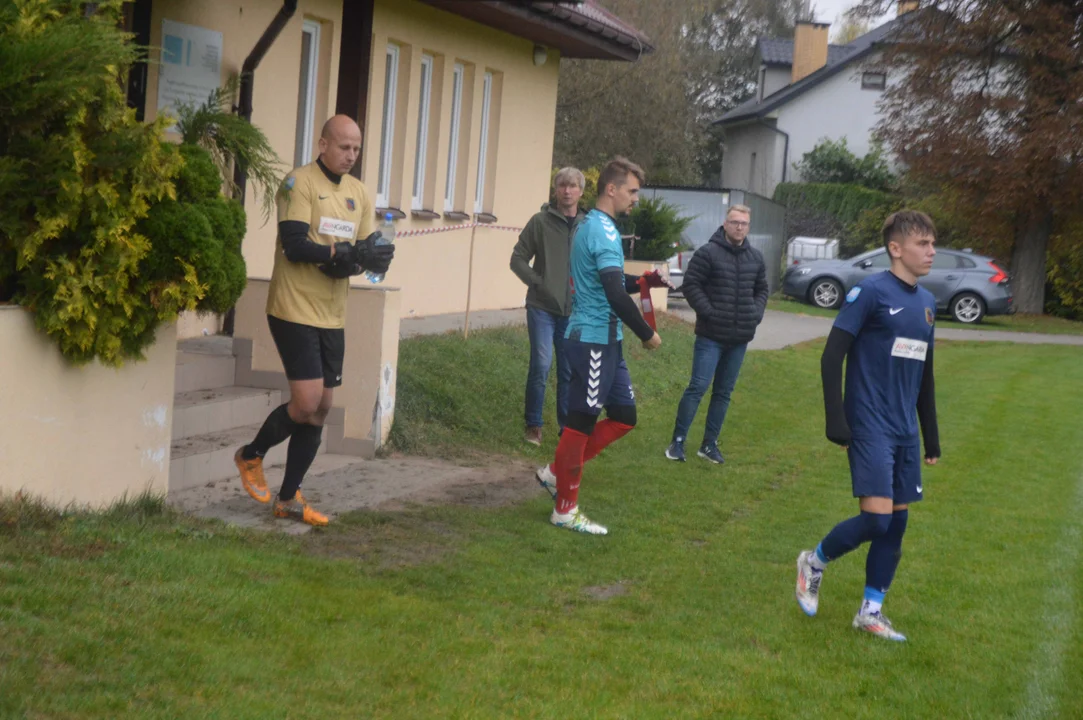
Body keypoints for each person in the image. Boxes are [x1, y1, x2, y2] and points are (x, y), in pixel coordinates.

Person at [233, 115, 395, 526]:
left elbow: (357, 253)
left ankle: (288, 498)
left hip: (331, 313)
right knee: (305, 401)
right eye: (344, 147)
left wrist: (370, 259)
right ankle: (251, 455)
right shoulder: (298, 183)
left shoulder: (358, 192)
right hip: (292, 308)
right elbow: (294, 245)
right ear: (323, 144)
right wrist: (334, 255)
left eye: (357, 149)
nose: (351, 156)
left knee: (321, 408)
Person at [794, 210, 941, 641]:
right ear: (896, 249)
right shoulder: (869, 292)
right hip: (869, 422)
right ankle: (814, 562)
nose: (932, 251)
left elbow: (924, 375)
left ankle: (871, 611)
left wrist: (930, 434)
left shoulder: (928, 304)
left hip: (903, 430)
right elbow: (831, 355)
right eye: (923, 244)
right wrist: (835, 419)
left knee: (896, 524)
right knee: (876, 520)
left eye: (933, 243)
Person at [533, 157, 664, 535]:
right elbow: (611, 291)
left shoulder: (593, 224)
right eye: (632, 190)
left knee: (624, 416)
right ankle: (565, 509)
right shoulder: (603, 231)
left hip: (607, 341)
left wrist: (642, 279)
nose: (635, 198)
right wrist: (646, 332)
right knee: (581, 422)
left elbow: (609, 278)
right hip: (592, 340)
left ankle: (555, 473)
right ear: (612, 189)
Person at [664, 204, 767, 465]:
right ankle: (677, 442)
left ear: (748, 226)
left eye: (743, 223)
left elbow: (762, 289)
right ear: (725, 224)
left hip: (739, 338)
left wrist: (755, 314)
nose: (739, 227)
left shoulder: (755, 257)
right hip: (710, 336)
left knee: (723, 392)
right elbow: (691, 285)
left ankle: (709, 445)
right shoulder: (707, 253)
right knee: (698, 387)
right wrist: (708, 312)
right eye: (734, 222)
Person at [510, 168, 587, 445]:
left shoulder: (587, 225)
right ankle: (533, 425)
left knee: (568, 370)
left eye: (572, 186)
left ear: (580, 191)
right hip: (542, 307)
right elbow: (517, 259)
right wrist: (537, 282)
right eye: (562, 185)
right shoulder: (540, 222)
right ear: (555, 190)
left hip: (574, 311)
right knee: (541, 365)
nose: (567, 191)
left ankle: (566, 429)